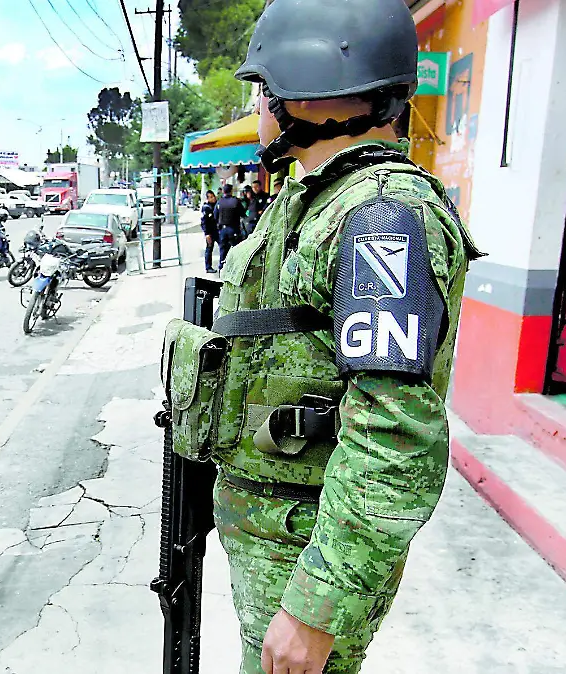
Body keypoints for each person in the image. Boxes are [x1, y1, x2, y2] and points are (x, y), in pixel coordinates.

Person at [202, 1, 484, 672]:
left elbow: (393, 437)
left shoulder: (381, 216)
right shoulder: (320, 201)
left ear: (304, 87)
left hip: (304, 563)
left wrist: (316, 609)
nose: (260, 106)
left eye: (264, 87)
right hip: (279, 547)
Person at [214, 183, 247, 269]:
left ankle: (221, 267)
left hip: (223, 230)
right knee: (235, 249)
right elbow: (243, 213)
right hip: (234, 229)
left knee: (223, 249)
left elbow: (215, 215)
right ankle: (235, 268)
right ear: (231, 191)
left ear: (223, 191)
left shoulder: (219, 202)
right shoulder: (235, 201)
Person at [201, 190, 219, 273]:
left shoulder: (217, 205)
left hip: (217, 231)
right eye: (211, 197)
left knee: (224, 247)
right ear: (208, 198)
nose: (213, 198)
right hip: (210, 232)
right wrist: (206, 234)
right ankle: (208, 267)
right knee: (209, 249)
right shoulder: (206, 208)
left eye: (213, 196)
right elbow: (204, 222)